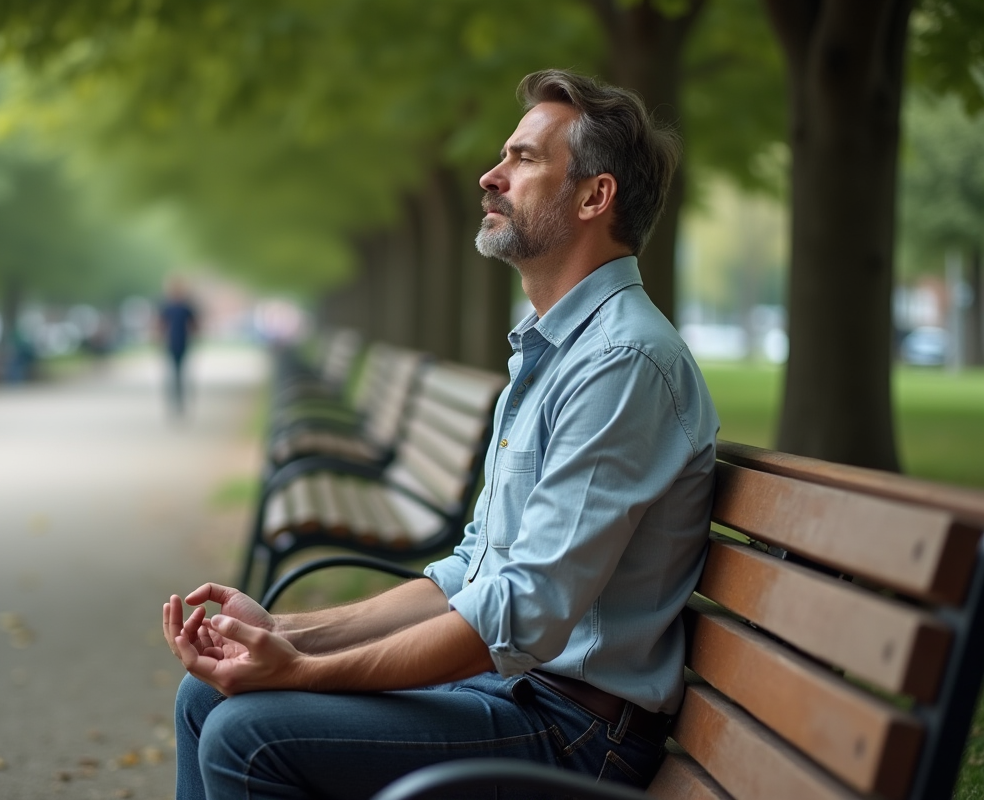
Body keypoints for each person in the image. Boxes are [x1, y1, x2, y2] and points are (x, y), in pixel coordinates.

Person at [162, 69, 720, 799]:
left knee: (249, 734)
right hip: (517, 693)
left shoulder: (622, 365)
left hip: (574, 731)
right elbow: (471, 572)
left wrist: (301, 673)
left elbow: (521, 610)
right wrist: (289, 633)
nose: (491, 176)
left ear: (595, 196)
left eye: (523, 159)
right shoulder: (553, 348)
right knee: (205, 697)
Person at [159, 276, 200, 413]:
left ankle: (180, 399)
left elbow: (194, 325)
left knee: (181, 372)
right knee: (174, 372)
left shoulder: (186, 307)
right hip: (171, 343)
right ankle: (175, 399)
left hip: (183, 343)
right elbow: (161, 324)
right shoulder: (167, 306)